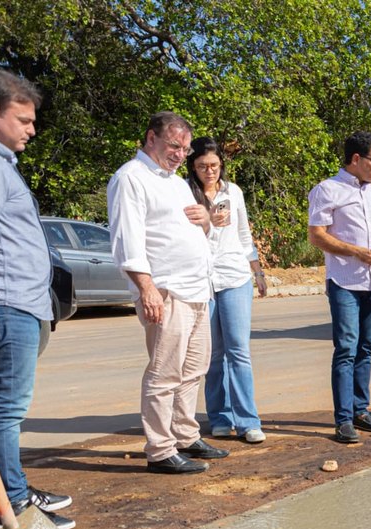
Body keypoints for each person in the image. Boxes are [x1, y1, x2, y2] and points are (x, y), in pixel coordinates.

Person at [0, 69, 75, 529]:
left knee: (6, 408)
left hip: (16, 304)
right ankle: (11, 505)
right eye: (24, 120)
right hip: (5, 304)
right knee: (6, 409)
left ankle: (12, 493)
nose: (32, 130)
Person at [109, 111, 229, 474]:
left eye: (185, 149)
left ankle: (185, 435)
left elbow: (192, 230)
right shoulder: (131, 178)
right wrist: (146, 288)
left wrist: (206, 222)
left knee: (193, 369)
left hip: (197, 289)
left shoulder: (176, 183)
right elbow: (126, 240)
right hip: (166, 290)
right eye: (174, 145)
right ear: (151, 138)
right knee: (164, 372)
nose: (180, 154)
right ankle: (160, 449)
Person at [308, 131, 371, 444]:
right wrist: (355, 252)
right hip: (344, 281)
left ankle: (360, 410)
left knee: (365, 348)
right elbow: (317, 235)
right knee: (346, 348)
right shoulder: (327, 190)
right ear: (356, 159)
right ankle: (343, 419)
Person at [186, 137, 267, 444]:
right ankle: (220, 417)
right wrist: (207, 222)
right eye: (203, 166)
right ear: (192, 167)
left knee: (238, 351)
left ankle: (248, 421)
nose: (210, 172)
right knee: (213, 354)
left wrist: (257, 271)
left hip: (234, 276)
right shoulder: (185, 194)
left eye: (215, 165)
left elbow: (244, 234)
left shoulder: (233, 192)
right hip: (202, 280)